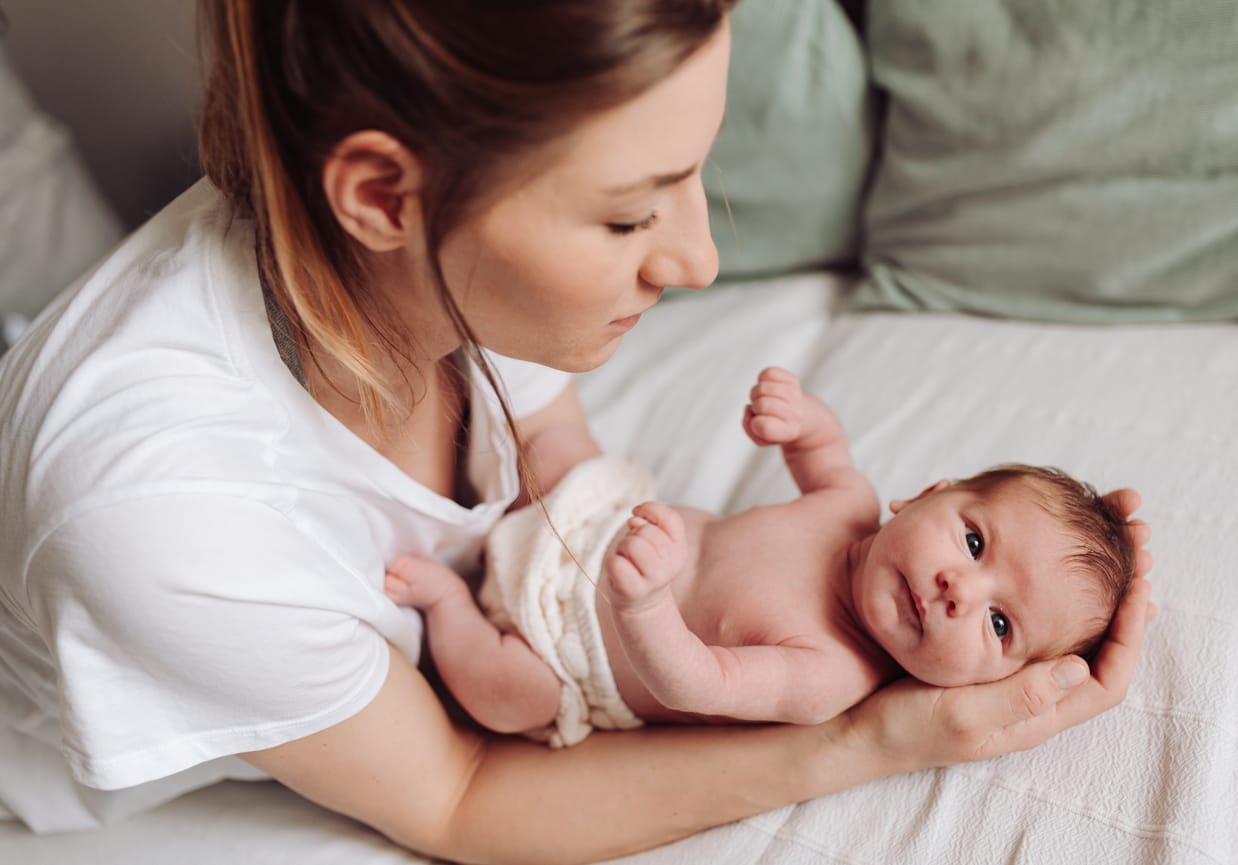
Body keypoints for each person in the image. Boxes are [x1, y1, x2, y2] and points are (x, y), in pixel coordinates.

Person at [0, 2, 1155, 861]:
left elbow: (559, 470)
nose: (696, 261)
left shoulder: (443, 271)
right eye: (629, 212)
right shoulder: (163, 517)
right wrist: (883, 742)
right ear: (384, 199)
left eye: (694, 175)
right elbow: (457, 795)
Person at [386, 367, 1136, 747]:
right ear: (924, 494)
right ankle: (443, 424)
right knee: (555, 444)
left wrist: (645, 605)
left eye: (1001, 625)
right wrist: (800, 418)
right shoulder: (846, 502)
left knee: (505, 698)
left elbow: (698, 681)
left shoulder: (829, 672)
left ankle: (449, 603)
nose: (958, 590)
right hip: (596, 516)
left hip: (566, 647)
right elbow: (825, 450)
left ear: (996, 679)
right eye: (974, 542)